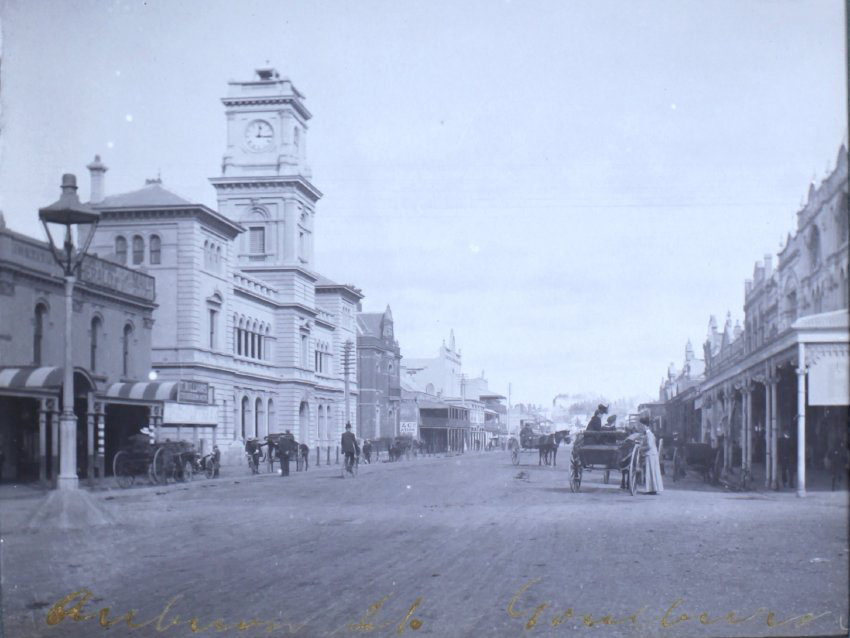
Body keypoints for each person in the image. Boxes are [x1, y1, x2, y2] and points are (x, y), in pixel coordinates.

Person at [640, 416, 663, 494]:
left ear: (645, 426)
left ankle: (652, 490)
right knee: (652, 472)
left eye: (642, 426)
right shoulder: (649, 434)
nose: (641, 428)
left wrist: (640, 448)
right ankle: (653, 489)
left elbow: (649, 446)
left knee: (651, 472)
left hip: (650, 454)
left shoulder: (648, 434)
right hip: (652, 454)